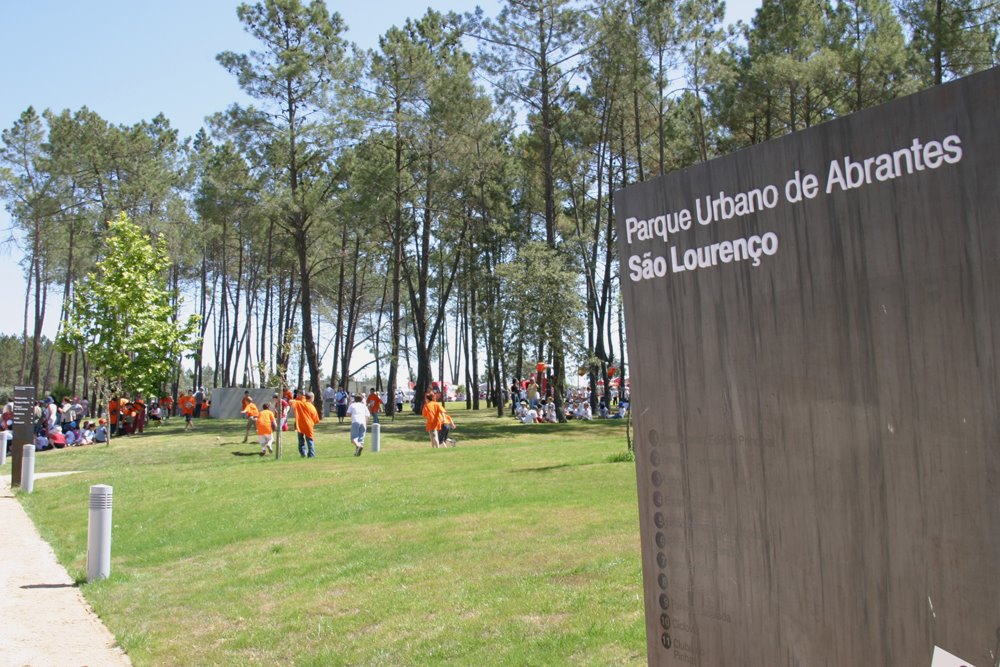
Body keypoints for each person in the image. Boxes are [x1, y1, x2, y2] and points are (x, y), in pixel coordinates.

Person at [291, 390, 320, 457]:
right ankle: (311, 454)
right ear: (312, 398)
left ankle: (303, 453)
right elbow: (316, 420)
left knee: (301, 440)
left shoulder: (300, 403)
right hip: (308, 425)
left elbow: (292, 402)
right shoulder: (312, 407)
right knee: (309, 440)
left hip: (300, 424)